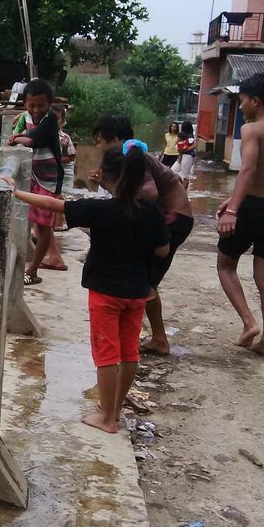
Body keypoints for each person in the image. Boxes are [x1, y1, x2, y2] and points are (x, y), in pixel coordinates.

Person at [0, 141, 170, 434]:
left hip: (105, 293)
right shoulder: (151, 211)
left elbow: (56, 205)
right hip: (137, 292)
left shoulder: (100, 210)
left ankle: (107, 418)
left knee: (106, 353)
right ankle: (115, 409)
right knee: (129, 351)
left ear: (105, 175)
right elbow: (163, 251)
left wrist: (16, 192)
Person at [92, 115, 195, 355]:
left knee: (145, 279)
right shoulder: (134, 154)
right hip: (175, 217)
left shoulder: (133, 157)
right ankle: (156, 337)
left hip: (173, 218)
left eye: (100, 141)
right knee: (146, 278)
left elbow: (149, 193)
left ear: (115, 140)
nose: (98, 147)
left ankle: (158, 339)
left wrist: (112, 187)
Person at [215, 71, 264, 359]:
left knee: (225, 264)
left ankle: (248, 322)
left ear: (255, 101)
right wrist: (233, 197)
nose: (240, 106)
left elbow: (249, 170)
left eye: (242, 100)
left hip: (253, 207)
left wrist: (233, 209)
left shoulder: (251, 130)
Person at [8, 78, 66, 283]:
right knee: (40, 225)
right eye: (31, 105)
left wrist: (16, 138)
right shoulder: (29, 117)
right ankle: (46, 261)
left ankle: (32, 271)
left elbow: (32, 140)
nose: (36, 109)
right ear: (25, 104)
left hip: (48, 179)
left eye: (41, 105)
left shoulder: (49, 119)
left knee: (43, 226)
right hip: (36, 175)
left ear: (49, 104)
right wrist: (19, 135)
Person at [53, 106, 76, 232]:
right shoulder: (38, 132)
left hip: (57, 170)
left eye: (56, 119)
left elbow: (72, 155)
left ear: (62, 120)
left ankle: (60, 221)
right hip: (43, 171)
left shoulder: (64, 137)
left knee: (57, 195)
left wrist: (57, 161)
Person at [173, 122, 197, 189]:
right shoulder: (183, 135)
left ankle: (183, 192)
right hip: (182, 155)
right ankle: (179, 188)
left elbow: (194, 145)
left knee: (185, 175)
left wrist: (185, 150)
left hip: (188, 156)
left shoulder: (190, 137)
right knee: (172, 171)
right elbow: (178, 145)